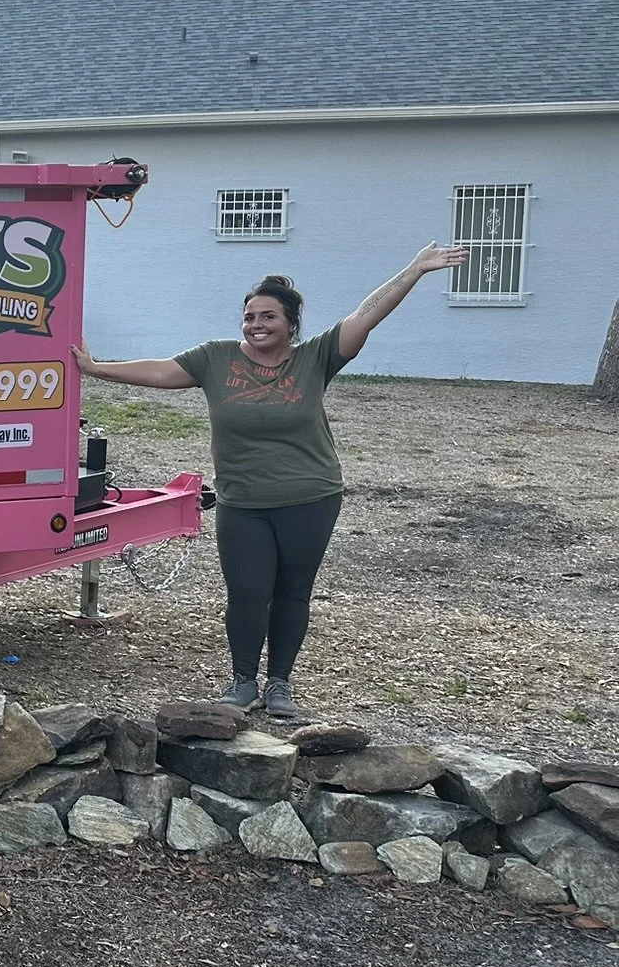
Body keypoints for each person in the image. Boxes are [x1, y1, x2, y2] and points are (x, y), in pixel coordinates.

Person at [70, 244, 467, 718]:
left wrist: (414, 269)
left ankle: (280, 682)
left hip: (311, 497)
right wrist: (96, 369)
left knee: (292, 592)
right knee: (247, 593)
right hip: (242, 501)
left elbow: (366, 315)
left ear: (291, 324)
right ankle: (243, 681)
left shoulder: (316, 357)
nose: (256, 325)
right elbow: (159, 370)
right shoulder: (215, 359)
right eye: (249, 317)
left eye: (268, 317)